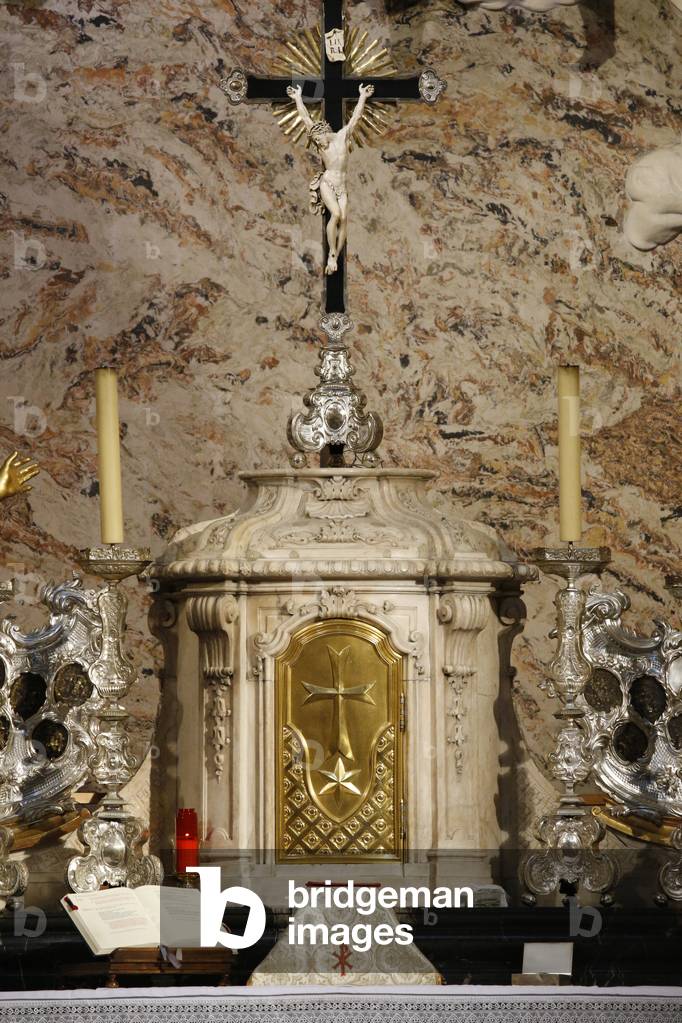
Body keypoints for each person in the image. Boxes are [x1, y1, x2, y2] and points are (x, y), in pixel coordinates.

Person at [286, 82, 374, 275]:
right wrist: (298, 98)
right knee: (335, 214)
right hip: (328, 183)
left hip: (342, 185)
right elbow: (305, 118)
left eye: (318, 139)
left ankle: (335, 255)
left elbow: (356, 118)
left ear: (325, 132)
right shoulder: (320, 145)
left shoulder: (343, 136)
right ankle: (331, 253)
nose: (318, 144)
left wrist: (363, 97)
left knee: (344, 218)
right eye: (315, 142)